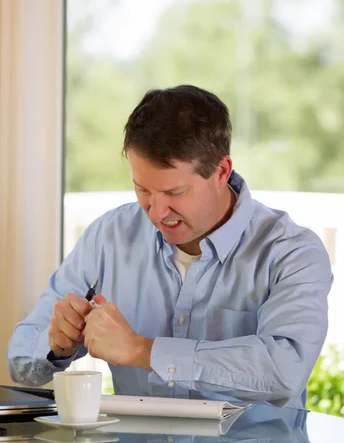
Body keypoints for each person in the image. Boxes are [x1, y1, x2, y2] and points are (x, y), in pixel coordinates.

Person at [7, 85, 332, 408]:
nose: (157, 211)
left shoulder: (292, 252)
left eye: (175, 193)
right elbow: (21, 360)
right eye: (142, 189)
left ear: (221, 172)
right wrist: (57, 342)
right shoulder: (109, 237)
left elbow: (285, 369)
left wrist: (141, 350)